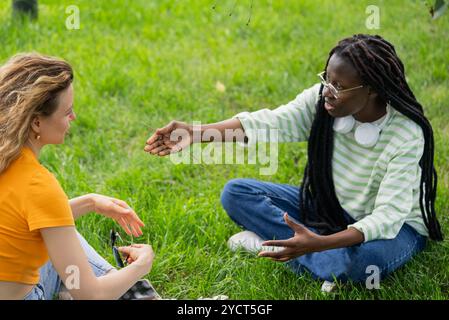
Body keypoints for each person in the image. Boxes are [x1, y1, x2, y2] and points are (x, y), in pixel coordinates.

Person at [144, 34, 443, 289]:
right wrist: (195, 133)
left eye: (339, 85)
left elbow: (389, 216)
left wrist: (319, 243)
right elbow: (270, 123)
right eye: (327, 78)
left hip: (397, 227)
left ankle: (274, 246)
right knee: (237, 193)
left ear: (372, 89)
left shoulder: (407, 134)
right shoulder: (322, 103)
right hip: (331, 211)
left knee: (366, 267)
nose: (328, 90)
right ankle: (315, 258)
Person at [0, 53, 154, 300]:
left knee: (60, 232)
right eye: (67, 112)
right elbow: (91, 295)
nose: (73, 118)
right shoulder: (37, 184)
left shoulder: (6, 159)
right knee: (67, 241)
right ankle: (133, 294)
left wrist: (90, 202)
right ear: (36, 122)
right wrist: (142, 265)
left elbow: (30, 221)